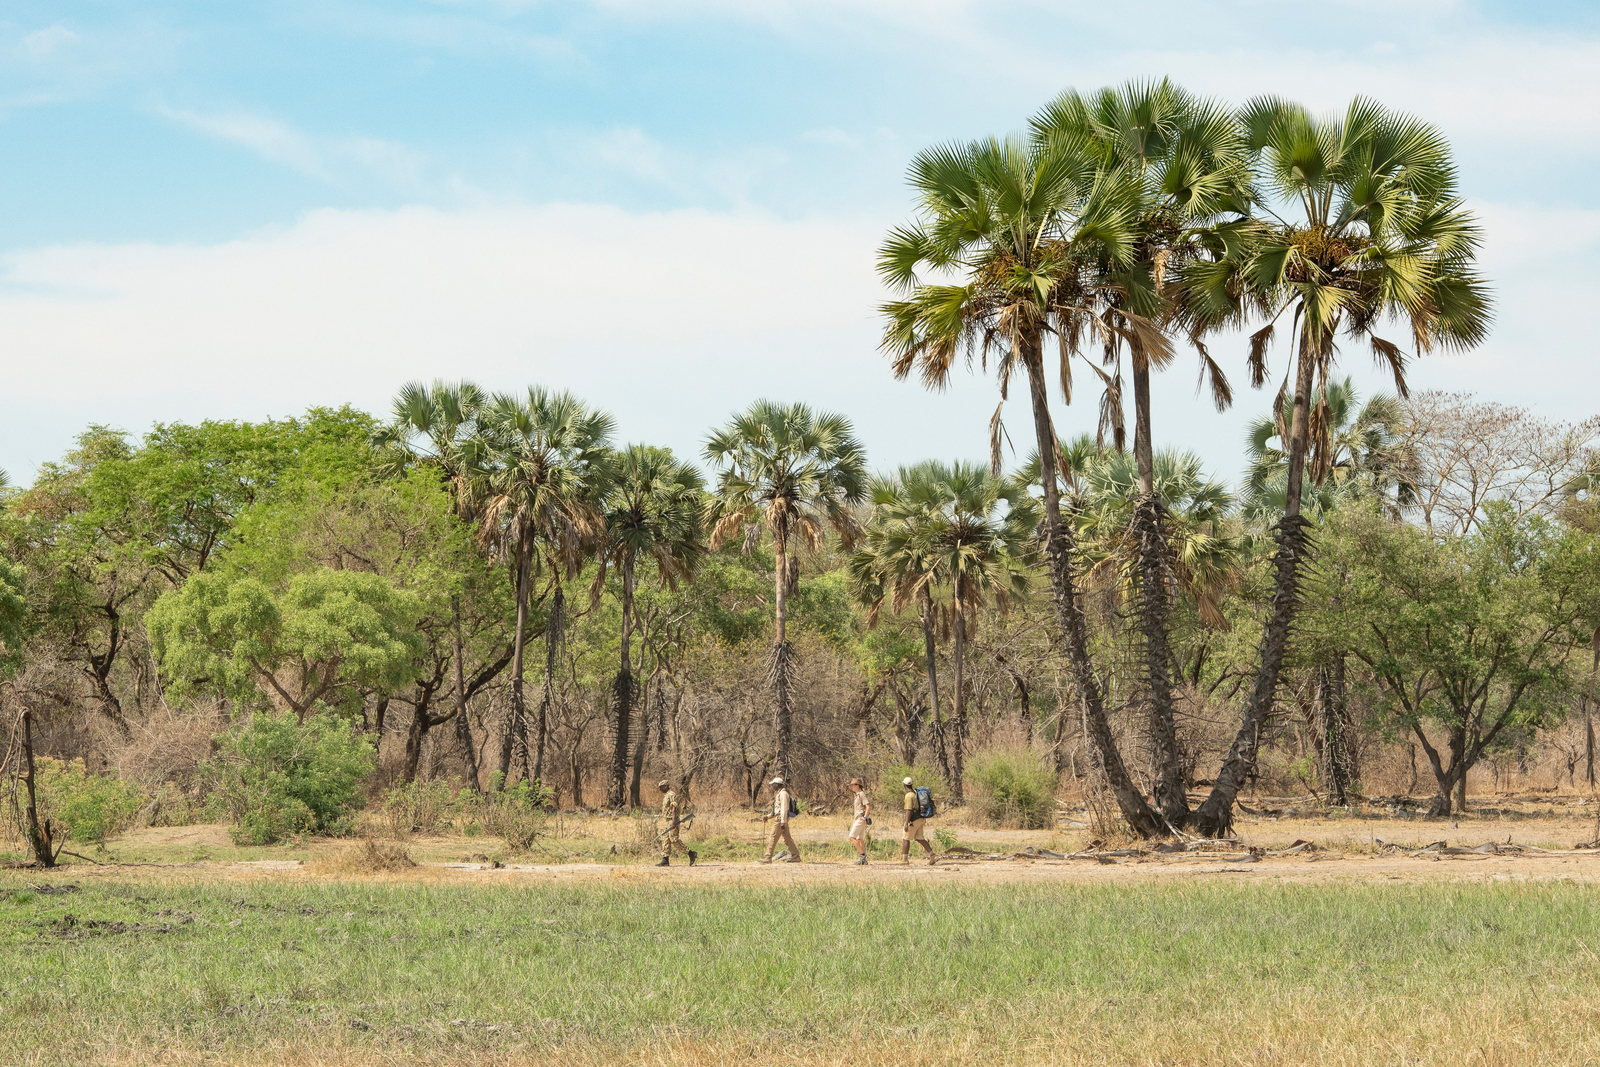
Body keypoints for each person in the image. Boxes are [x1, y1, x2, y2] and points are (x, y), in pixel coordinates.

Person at [655, 779, 696, 867]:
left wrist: (673, 821)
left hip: (672, 819)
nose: (660, 789)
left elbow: (674, 808)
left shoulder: (671, 795)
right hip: (667, 820)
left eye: (661, 787)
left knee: (674, 839)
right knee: (666, 839)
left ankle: (690, 853)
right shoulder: (666, 795)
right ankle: (665, 859)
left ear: (666, 786)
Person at [759, 776, 801, 864]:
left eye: (773, 784)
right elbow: (777, 810)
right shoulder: (781, 793)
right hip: (781, 818)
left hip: (780, 820)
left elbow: (784, 809)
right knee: (787, 839)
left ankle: (768, 857)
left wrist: (783, 821)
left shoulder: (783, 794)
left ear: (777, 785)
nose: (772, 786)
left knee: (773, 837)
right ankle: (796, 856)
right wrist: (768, 816)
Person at [900, 775, 937, 865]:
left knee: (906, 838)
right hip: (921, 819)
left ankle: (904, 859)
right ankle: (932, 854)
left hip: (914, 820)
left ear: (904, 785)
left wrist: (906, 823)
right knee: (919, 838)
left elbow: (909, 810)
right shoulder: (916, 793)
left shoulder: (909, 796)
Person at [847, 777, 872, 865]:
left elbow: (868, 806)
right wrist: (853, 820)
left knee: (851, 837)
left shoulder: (861, 794)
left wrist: (865, 817)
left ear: (858, 785)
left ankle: (862, 855)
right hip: (857, 818)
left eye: (853, 785)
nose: (852, 787)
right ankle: (864, 860)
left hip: (861, 818)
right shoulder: (857, 795)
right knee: (860, 839)